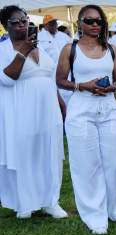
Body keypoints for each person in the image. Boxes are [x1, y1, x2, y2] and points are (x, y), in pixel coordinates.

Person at [56, 5, 116, 235]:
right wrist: (83, 86)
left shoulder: (111, 49)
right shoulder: (69, 49)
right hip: (81, 110)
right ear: (79, 23)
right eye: (89, 21)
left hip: (109, 109)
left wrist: (112, 86)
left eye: (99, 21)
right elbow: (60, 80)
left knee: (115, 163)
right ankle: (94, 215)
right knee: (87, 164)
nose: (94, 25)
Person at [0, 5, 67, 219]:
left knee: (49, 152)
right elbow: (7, 78)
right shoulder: (4, 49)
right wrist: (24, 52)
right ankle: (25, 203)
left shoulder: (41, 47)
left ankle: (50, 201)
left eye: (24, 20)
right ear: (5, 26)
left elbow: (47, 76)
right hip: (21, 110)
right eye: (16, 22)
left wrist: (60, 102)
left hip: (48, 110)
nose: (22, 24)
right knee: (25, 154)